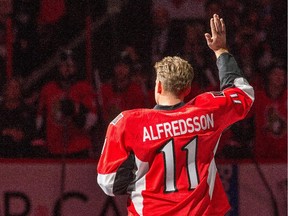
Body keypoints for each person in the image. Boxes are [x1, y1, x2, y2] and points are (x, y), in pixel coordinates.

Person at [97, 14, 254, 215]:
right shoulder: (207, 110)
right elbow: (244, 94)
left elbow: (108, 183)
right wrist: (221, 51)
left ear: (159, 85)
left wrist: (141, 166)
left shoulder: (129, 123)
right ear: (187, 89)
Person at [35, 49, 98, 158]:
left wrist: (75, 112)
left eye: (71, 66)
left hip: (78, 148)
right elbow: (40, 119)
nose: (67, 69)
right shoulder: (48, 89)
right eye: (64, 66)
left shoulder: (84, 88)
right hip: (54, 148)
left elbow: (91, 120)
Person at [0, 78, 34, 158]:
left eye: (16, 87)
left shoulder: (27, 110)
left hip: (22, 153)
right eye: (11, 87)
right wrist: (6, 132)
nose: (14, 90)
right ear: (5, 90)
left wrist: (23, 134)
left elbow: (33, 130)